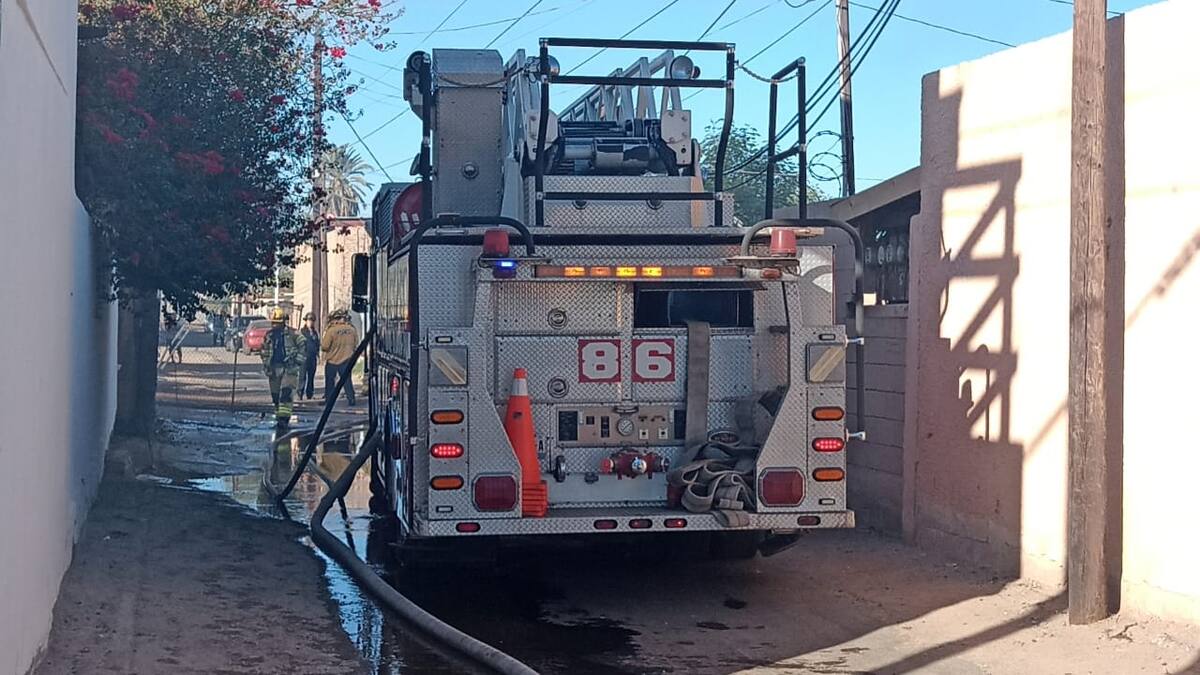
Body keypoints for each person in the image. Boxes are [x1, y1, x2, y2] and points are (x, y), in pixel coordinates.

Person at [260, 307, 305, 427]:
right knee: (275, 395)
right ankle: (279, 416)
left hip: (289, 369)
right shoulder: (269, 335)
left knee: (286, 393)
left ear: (283, 322)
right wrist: (266, 365)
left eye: (278, 323)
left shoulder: (293, 334)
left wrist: (297, 362)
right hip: (274, 368)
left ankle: (284, 420)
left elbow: (303, 346)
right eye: (273, 322)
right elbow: (264, 351)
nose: (275, 325)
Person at [320, 308, 359, 406]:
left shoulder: (331, 330)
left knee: (330, 382)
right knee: (347, 381)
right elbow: (356, 344)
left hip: (332, 361)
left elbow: (324, 346)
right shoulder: (351, 329)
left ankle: (329, 400)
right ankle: (351, 399)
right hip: (346, 360)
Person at [298, 312, 320, 400]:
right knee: (302, 376)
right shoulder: (302, 332)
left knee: (311, 377)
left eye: (312, 321)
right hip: (304, 357)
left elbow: (317, 344)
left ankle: (309, 393)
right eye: (309, 320)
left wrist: (318, 354)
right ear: (306, 321)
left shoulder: (315, 333)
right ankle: (300, 393)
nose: (311, 322)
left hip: (312, 358)